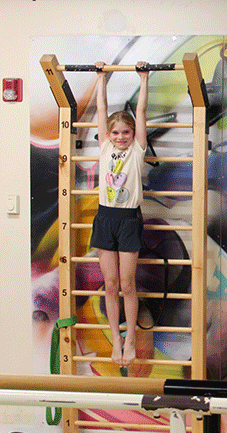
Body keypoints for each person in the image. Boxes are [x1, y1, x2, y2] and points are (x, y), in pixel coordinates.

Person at [91, 61, 149, 368]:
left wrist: (144, 78)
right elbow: (101, 112)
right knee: (110, 284)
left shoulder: (137, 150)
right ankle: (115, 337)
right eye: (116, 132)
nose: (121, 136)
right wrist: (101, 79)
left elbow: (140, 113)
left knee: (127, 284)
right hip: (105, 218)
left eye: (126, 132)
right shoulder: (103, 148)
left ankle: (129, 340)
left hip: (128, 219)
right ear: (109, 134)